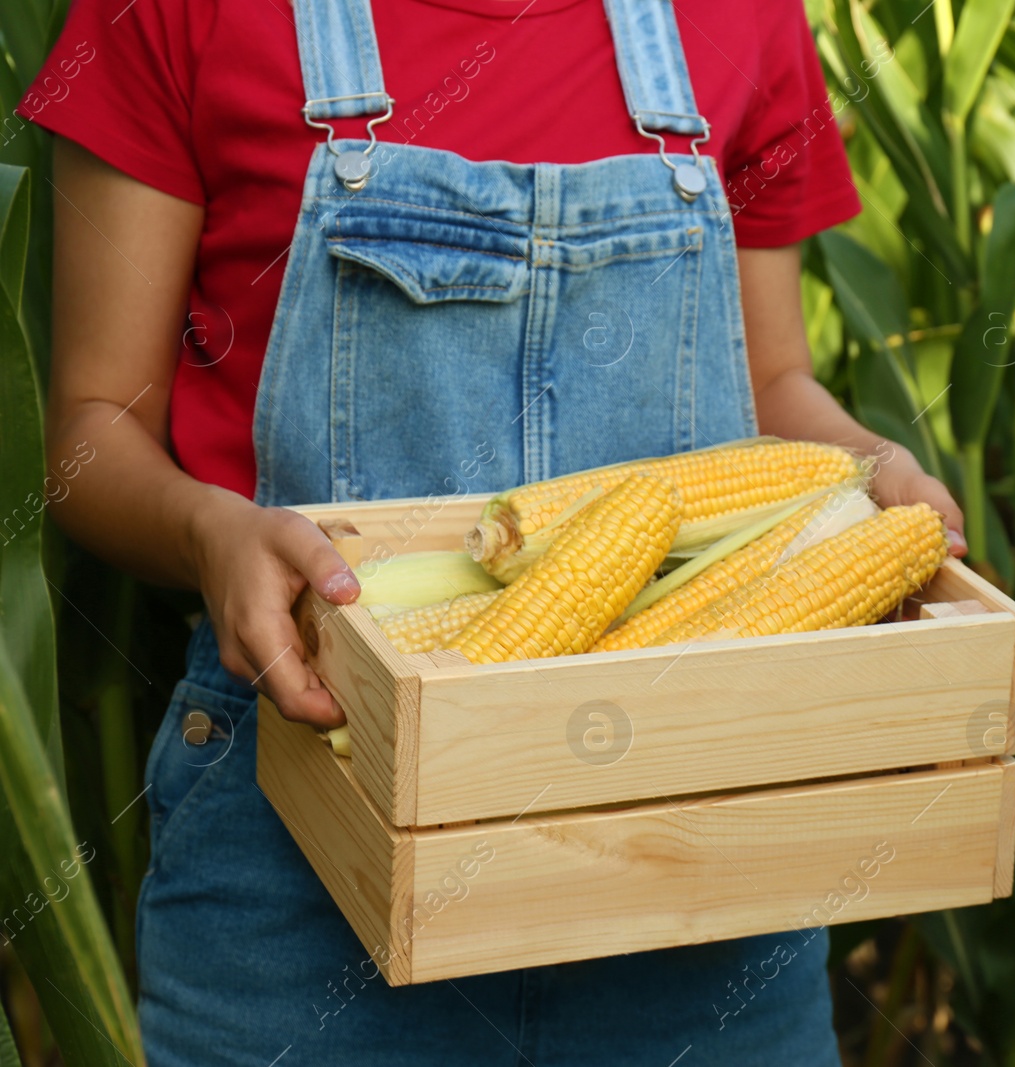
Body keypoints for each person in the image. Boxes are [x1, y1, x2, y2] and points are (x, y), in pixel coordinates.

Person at [28, 0, 966, 1061]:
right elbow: (91, 429)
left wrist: (865, 469)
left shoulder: (744, 18)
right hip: (304, 825)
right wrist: (211, 529)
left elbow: (771, 379)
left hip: (695, 843)